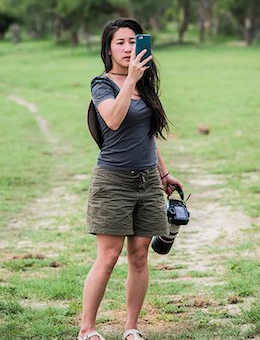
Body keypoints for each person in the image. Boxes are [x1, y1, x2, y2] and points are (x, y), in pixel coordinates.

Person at [78, 18, 184, 340]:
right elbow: (112, 119)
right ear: (108, 50)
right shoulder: (103, 84)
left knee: (139, 256)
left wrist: (163, 173)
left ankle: (131, 328)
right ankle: (87, 329)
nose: (128, 48)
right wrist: (130, 80)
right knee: (108, 257)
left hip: (148, 182)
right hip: (113, 182)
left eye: (133, 41)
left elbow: (148, 136)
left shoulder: (144, 85)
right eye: (120, 42)